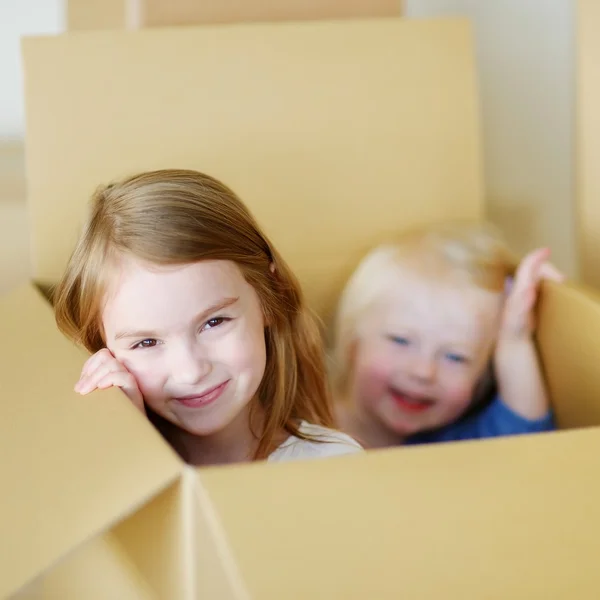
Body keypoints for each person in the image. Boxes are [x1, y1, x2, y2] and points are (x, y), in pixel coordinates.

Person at [54, 169, 362, 465]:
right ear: (104, 349)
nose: (190, 372)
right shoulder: (102, 467)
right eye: (146, 342)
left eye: (214, 322)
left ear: (270, 296)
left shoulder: (331, 466)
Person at [332, 222, 561, 448]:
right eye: (400, 340)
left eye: (455, 357)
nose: (423, 372)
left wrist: (515, 338)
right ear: (353, 341)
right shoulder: (304, 428)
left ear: (481, 379)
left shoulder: (452, 445)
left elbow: (526, 437)